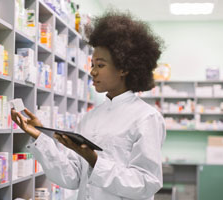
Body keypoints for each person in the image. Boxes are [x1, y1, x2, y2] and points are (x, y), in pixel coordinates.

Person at [11, 10, 166, 200]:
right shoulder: (91, 117)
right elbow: (72, 178)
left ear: (124, 68)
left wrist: (94, 160)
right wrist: (39, 136)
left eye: (100, 65)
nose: (92, 72)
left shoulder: (146, 117)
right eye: (92, 64)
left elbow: (145, 183)